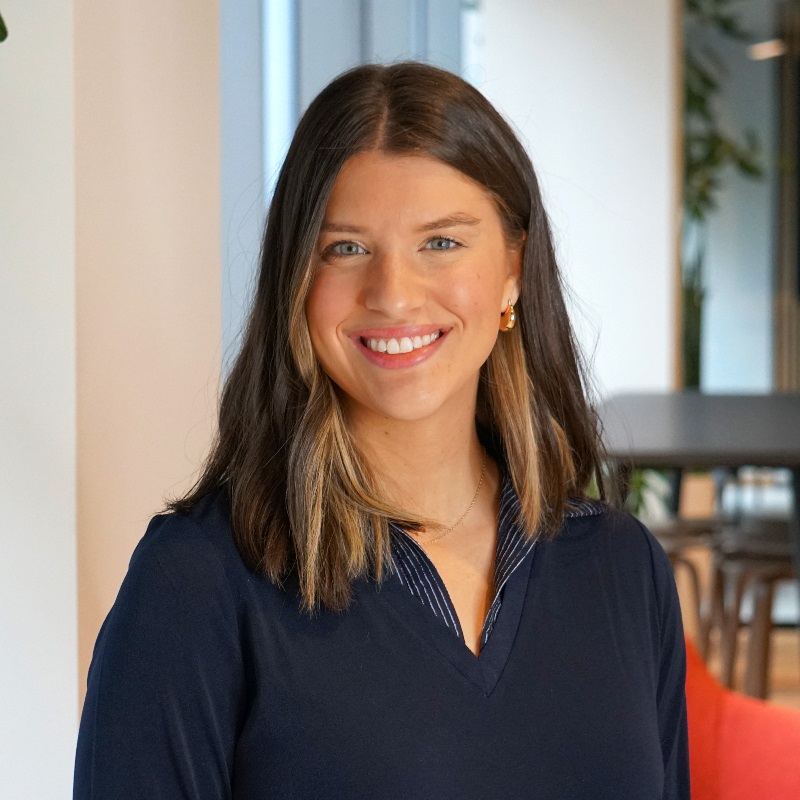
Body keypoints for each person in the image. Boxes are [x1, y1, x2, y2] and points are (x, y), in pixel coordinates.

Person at [74, 61, 689, 799]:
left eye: (442, 242)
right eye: (347, 248)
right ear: (295, 281)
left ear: (513, 271)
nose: (393, 294)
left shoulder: (623, 571)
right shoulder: (196, 585)